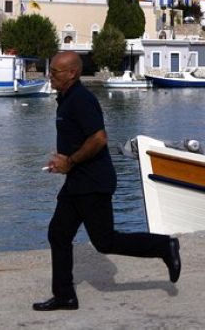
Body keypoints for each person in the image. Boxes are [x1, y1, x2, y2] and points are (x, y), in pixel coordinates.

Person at [35, 51, 181, 312]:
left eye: (55, 72)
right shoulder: (66, 99)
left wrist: (70, 161)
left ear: (72, 73)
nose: (50, 75)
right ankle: (65, 296)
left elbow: (99, 138)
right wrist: (63, 162)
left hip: (93, 181)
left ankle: (164, 245)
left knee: (105, 242)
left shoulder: (81, 99)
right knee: (58, 234)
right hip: (77, 182)